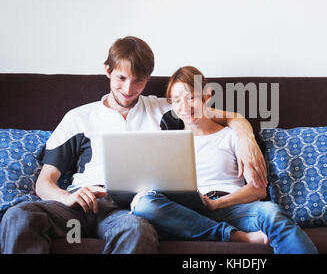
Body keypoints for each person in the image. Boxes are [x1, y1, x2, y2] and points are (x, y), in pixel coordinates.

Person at [0, 37, 267, 254]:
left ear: (148, 78)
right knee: (19, 216)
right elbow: (45, 182)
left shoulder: (164, 110)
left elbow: (214, 114)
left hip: (125, 212)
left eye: (139, 81)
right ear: (108, 71)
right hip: (77, 206)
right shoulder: (78, 118)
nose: (129, 89)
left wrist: (245, 135)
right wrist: (67, 197)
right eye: (121, 79)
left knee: (138, 231)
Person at [131, 66, 318, 254]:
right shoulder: (169, 141)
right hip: (187, 211)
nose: (185, 107)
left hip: (232, 208)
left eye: (191, 98)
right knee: (144, 204)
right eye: (177, 100)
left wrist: (216, 204)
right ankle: (234, 236)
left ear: (207, 96)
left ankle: (216, 230)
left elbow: (258, 189)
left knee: (271, 212)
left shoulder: (232, 136)